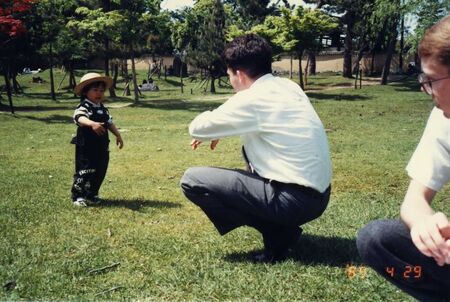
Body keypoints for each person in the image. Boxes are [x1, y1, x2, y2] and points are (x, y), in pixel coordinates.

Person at [180, 34, 332, 263]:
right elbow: (270, 123)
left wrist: (218, 124)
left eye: (229, 75)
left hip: (293, 202)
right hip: (319, 197)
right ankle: (280, 230)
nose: (230, 81)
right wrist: (223, 128)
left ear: (239, 74)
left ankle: (280, 231)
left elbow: (197, 128)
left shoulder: (252, 98)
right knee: (247, 155)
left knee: (192, 180)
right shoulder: (288, 86)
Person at [357, 16, 450, 301]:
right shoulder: (443, 120)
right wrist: (424, 224)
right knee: (377, 238)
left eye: (432, 80)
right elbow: (414, 200)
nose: (427, 90)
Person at [70, 72, 124, 207]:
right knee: (85, 169)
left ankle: (92, 193)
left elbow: (109, 123)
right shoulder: (84, 106)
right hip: (86, 146)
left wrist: (118, 135)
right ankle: (78, 195)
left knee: (100, 169)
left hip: (101, 145)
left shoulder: (102, 109)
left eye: (101, 90)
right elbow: (79, 117)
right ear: (85, 92)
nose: (99, 93)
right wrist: (92, 123)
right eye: (95, 90)